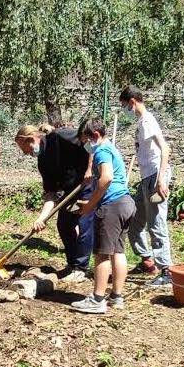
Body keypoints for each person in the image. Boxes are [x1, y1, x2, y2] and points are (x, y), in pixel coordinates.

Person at [70, 117, 135, 313]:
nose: (86, 146)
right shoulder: (111, 148)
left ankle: (97, 300)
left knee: (101, 253)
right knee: (118, 252)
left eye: (86, 141)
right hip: (126, 203)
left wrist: (91, 204)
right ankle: (116, 296)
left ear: (95, 136)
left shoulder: (102, 151)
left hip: (112, 206)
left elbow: (106, 178)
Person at [15, 124, 93, 282]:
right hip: (70, 192)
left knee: (84, 224)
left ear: (31, 139)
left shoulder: (60, 136)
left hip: (88, 185)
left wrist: (90, 169)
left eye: (27, 150)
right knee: (64, 224)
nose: (27, 154)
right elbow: (50, 193)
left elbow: (91, 143)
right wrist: (41, 218)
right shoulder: (43, 162)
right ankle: (72, 265)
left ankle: (81, 268)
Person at [120, 86, 174, 286]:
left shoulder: (148, 121)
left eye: (125, 105)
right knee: (135, 222)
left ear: (132, 101)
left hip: (155, 177)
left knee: (156, 224)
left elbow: (165, 149)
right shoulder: (142, 122)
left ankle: (166, 271)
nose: (125, 109)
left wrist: (161, 179)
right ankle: (147, 260)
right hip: (147, 177)